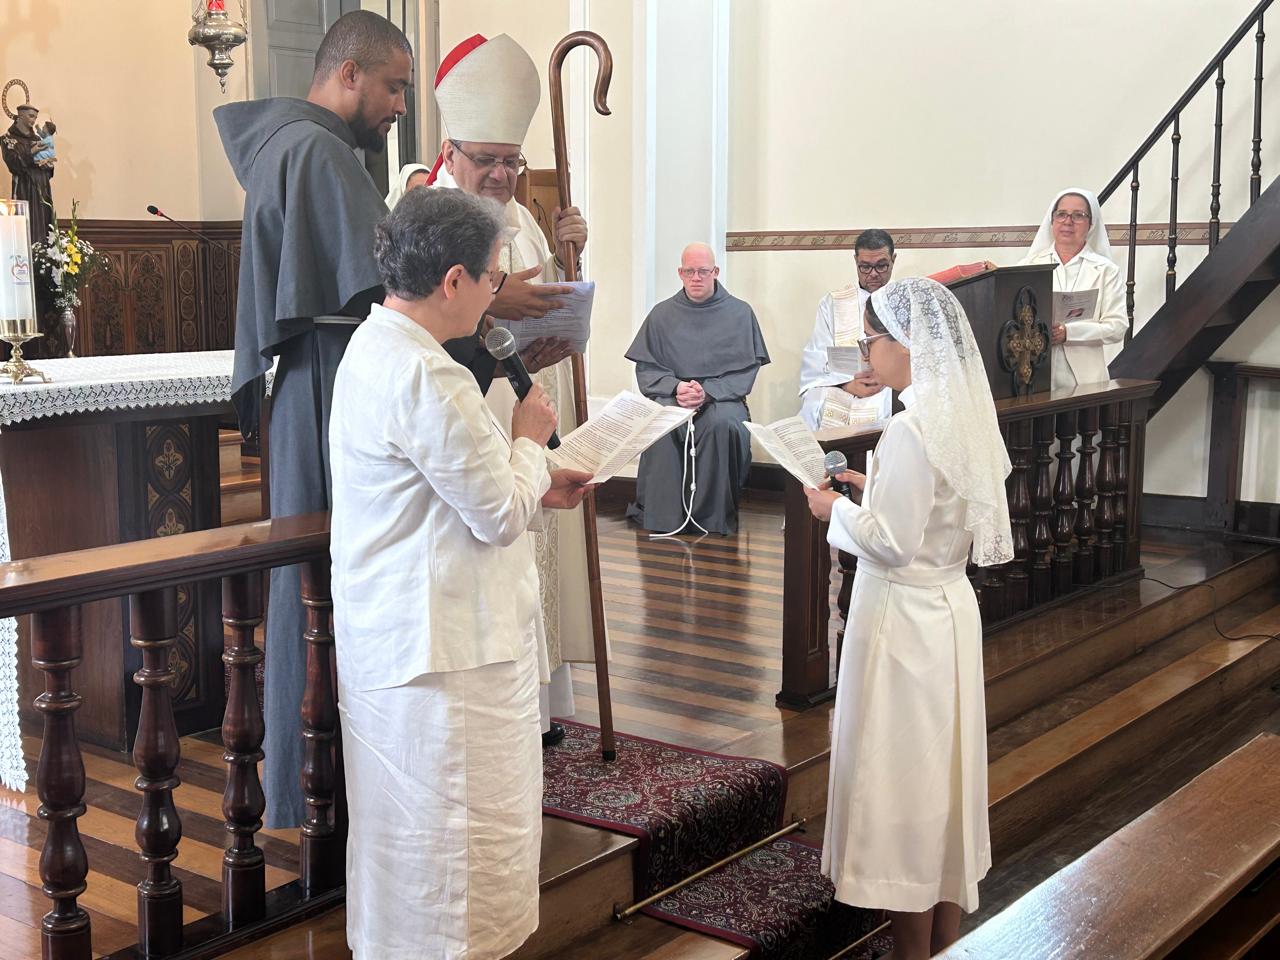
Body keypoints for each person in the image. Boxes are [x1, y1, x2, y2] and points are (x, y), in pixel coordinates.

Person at [331, 186, 593, 960]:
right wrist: (530, 441)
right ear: (453, 281)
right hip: (449, 661)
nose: (493, 296)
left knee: (405, 849)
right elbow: (497, 514)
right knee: (458, 862)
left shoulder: (373, 347)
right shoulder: (430, 375)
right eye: (491, 278)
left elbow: (445, 491)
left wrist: (536, 478)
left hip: (402, 644)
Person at [215, 9, 413, 828]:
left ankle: (311, 785)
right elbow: (392, 286)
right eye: (394, 86)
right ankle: (326, 784)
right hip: (336, 381)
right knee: (332, 579)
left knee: (311, 578)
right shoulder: (318, 150)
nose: (400, 105)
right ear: (349, 73)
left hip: (311, 382)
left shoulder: (287, 143)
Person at [804, 277, 1012, 960]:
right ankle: (945, 944)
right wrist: (873, 489)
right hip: (948, 609)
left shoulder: (911, 426)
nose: (867, 353)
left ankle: (911, 951)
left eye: (871, 339)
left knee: (905, 784)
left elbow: (891, 543)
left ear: (907, 343)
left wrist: (834, 510)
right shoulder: (961, 414)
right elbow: (939, 510)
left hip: (903, 619)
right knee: (942, 782)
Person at [425, 33, 599, 747]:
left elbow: (546, 293)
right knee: (496, 538)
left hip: (529, 389)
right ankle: (502, 700)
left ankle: (541, 698)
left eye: (512, 160)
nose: (501, 174)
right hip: (475, 399)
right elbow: (422, 304)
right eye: (488, 160)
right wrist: (499, 299)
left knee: (541, 546)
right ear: (451, 150)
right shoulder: (427, 212)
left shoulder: (521, 216)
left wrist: (569, 253)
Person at [626, 243, 770, 536]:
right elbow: (648, 370)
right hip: (674, 396)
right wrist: (677, 387)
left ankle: (712, 519)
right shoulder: (661, 314)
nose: (696, 278)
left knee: (722, 425)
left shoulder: (740, 313)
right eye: (689, 271)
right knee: (662, 423)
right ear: (680, 273)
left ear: (715, 272)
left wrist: (707, 391)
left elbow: (744, 372)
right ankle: (664, 518)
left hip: (722, 399)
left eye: (703, 271)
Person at [1019, 187, 1127, 391]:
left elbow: (1117, 327)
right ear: (1052, 221)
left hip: (1087, 381)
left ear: (1091, 224)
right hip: (1033, 375)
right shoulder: (1027, 267)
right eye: (1061, 214)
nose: (1068, 221)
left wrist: (1069, 332)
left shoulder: (1106, 270)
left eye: (1078, 215)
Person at [799, 229, 897, 429]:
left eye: (881, 266)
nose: (873, 274)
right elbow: (817, 359)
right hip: (842, 386)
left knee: (892, 407)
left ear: (893, 260)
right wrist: (848, 385)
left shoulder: (904, 300)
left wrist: (888, 378)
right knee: (815, 403)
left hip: (889, 387)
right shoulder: (833, 303)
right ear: (855, 261)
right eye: (865, 267)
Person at [2, 103, 55, 247]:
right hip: (25, 187)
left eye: (35, 117)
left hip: (42, 187)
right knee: (27, 224)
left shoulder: (38, 138)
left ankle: (44, 255)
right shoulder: (8, 139)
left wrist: (49, 165)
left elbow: (48, 165)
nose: (34, 120)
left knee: (43, 225)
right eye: (31, 116)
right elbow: (13, 164)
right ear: (20, 115)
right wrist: (32, 151)